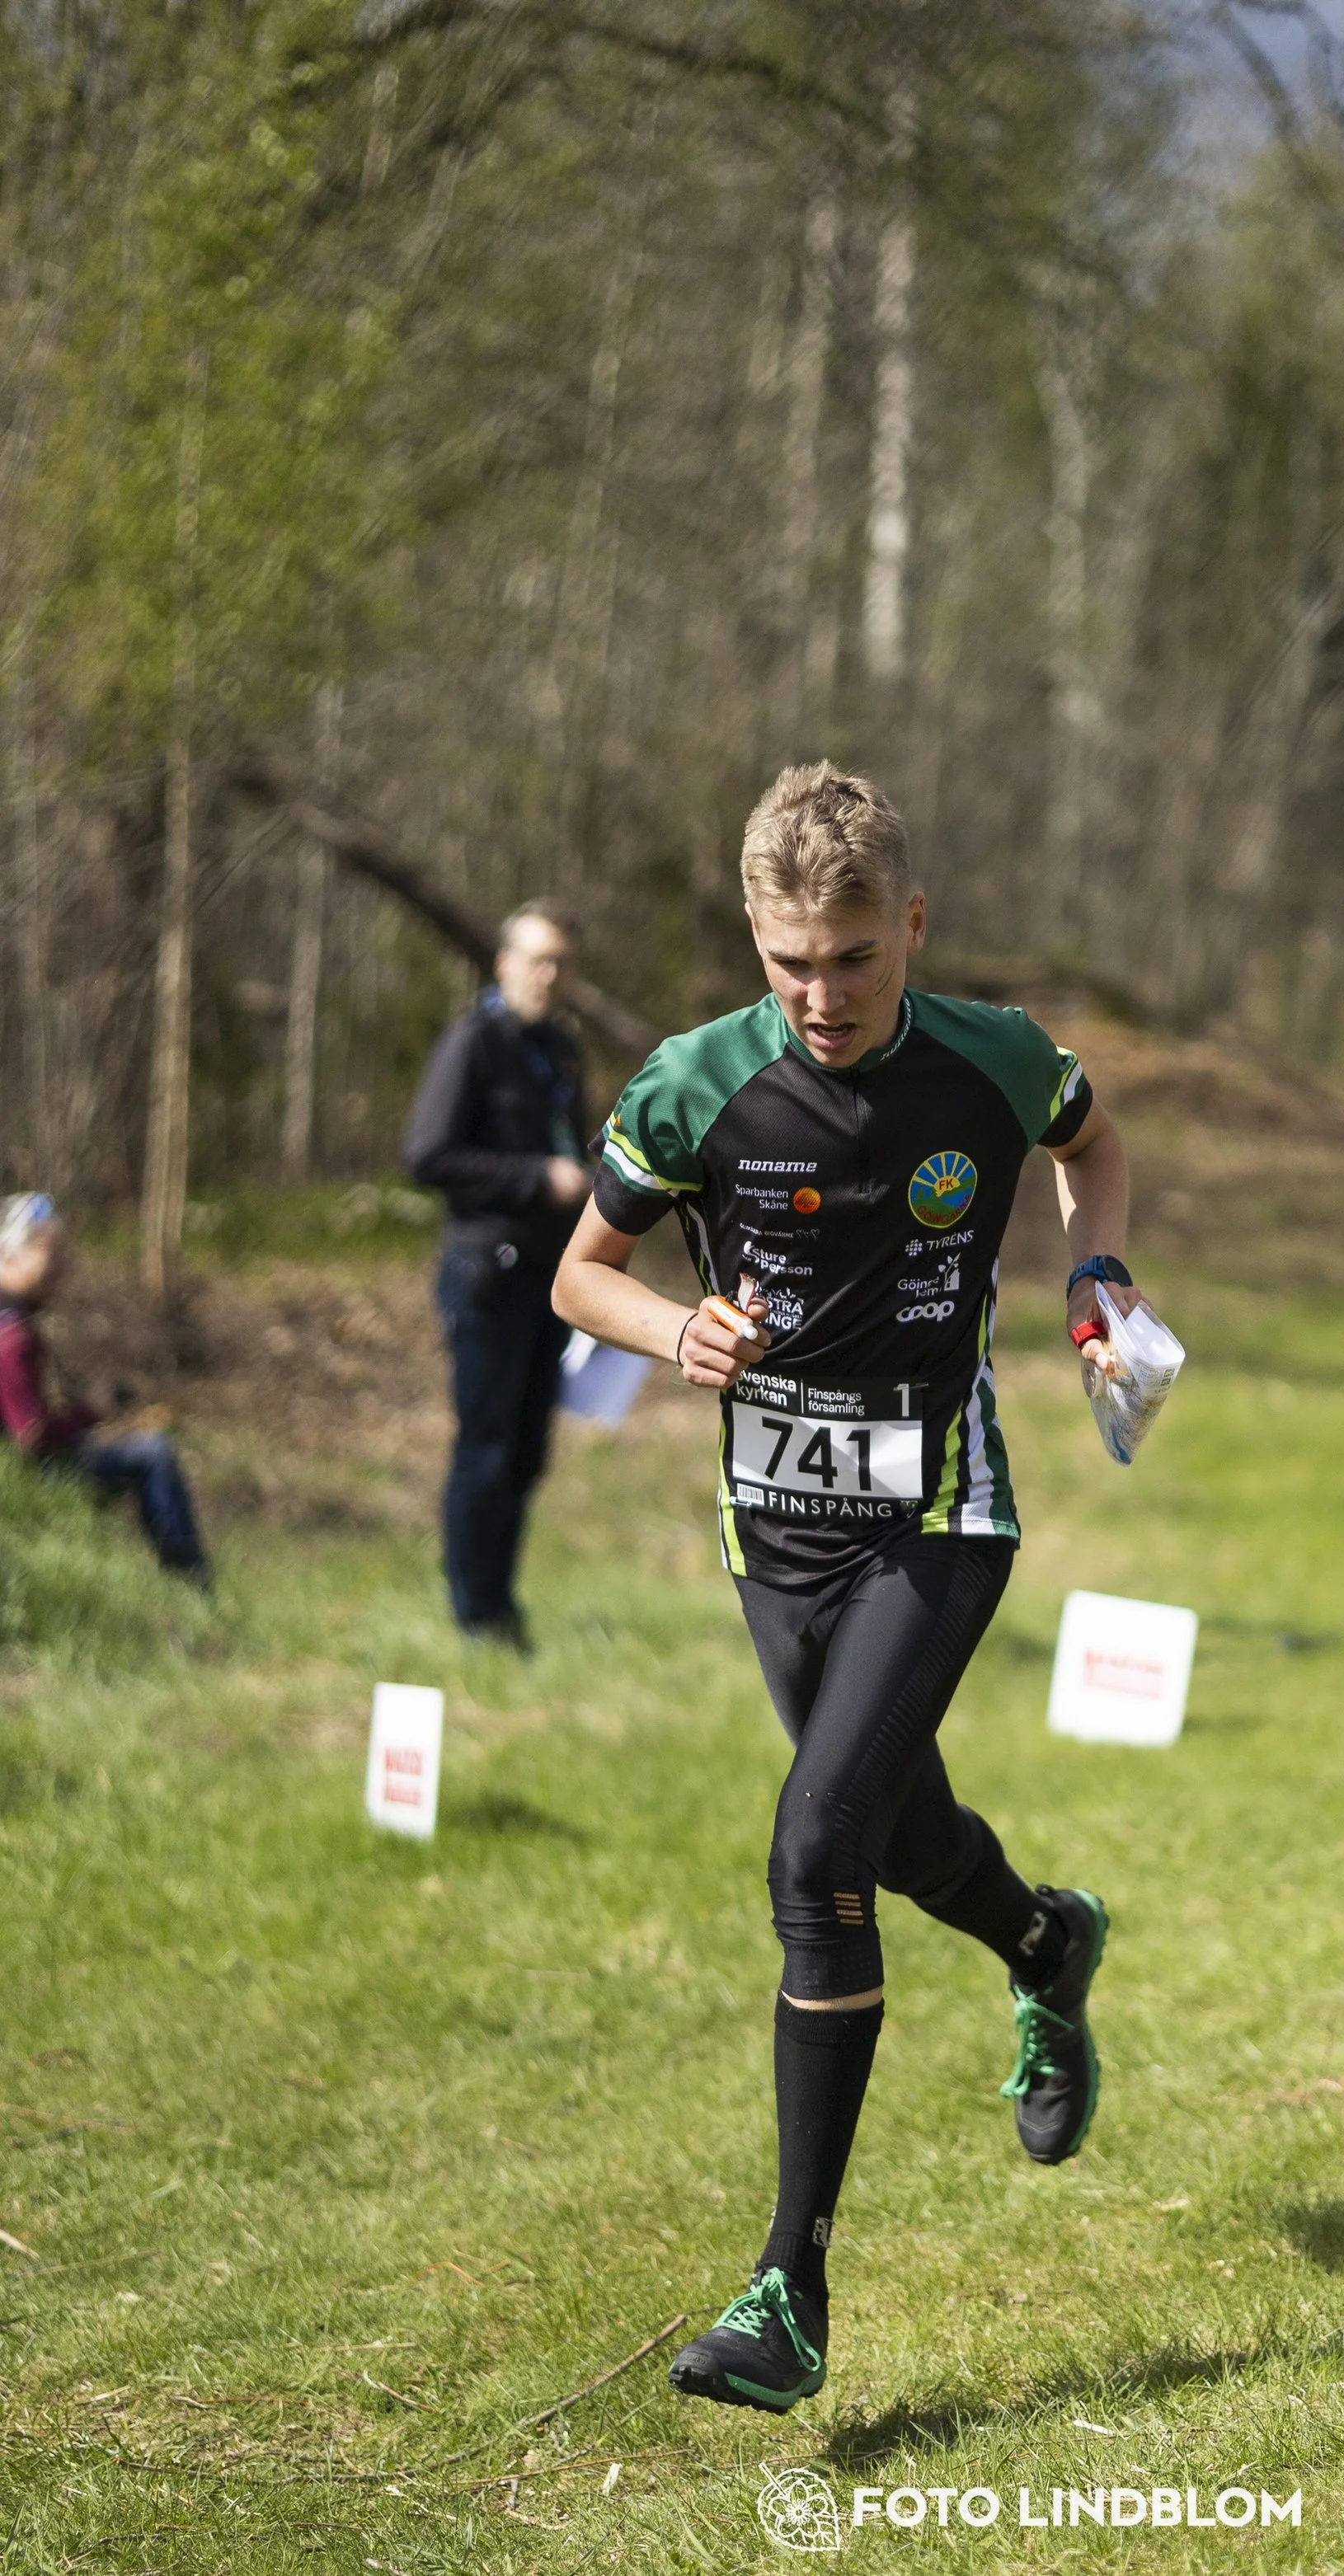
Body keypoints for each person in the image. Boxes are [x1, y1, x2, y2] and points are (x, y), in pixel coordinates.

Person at [554, 762, 1139, 2414]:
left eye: (855, 956)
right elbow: (574, 1271)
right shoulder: (691, 1087)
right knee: (885, 1823)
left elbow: (1093, 1143)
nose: (820, 993)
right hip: (774, 1524)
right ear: (755, 935)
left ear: (912, 928)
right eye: (790, 958)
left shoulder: (990, 1058)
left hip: (938, 1506)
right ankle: (1043, 1938)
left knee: (815, 1848)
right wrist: (675, 1328)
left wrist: (1096, 1267)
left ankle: (788, 2288)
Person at [405, 900, 590, 1649]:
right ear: (504, 963)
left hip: (549, 1278)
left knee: (525, 1450)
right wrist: (536, 1178)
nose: (549, 975)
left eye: (561, 963)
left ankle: (502, 1602)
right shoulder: (473, 1042)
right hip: (485, 1273)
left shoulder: (561, 1049)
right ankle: (473, 1612)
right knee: (483, 1449)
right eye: (537, 959)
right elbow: (428, 1155)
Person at [0, 1194, 210, 1582]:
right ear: (11, 1255)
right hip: (26, 1475)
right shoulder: (13, 1336)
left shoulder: (13, 1320)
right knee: (153, 1453)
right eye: (52, 1254)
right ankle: (192, 1585)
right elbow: (32, 1436)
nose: (63, 1268)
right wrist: (89, 1411)